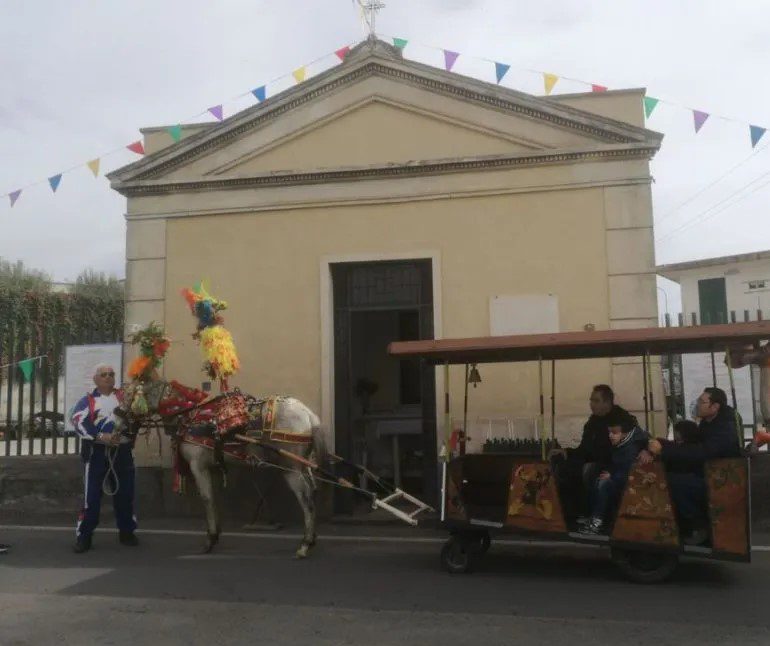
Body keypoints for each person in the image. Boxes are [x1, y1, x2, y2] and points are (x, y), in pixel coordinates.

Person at [648, 387, 741, 545]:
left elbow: (702, 452)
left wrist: (665, 450)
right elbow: (692, 445)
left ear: (715, 406)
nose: (697, 404)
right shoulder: (708, 421)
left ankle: (698, 525)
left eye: (701, 401)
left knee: (674, 482)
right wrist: (663, 444)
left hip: (720, 480)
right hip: (706, 472)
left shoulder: (726, 427)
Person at [551, 385, 651, 520]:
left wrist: (647, 450)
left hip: (614, 464)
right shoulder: (593, 421)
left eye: (596, 401)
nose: (591, 404)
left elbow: (640, 439)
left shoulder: (623, 419)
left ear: (607, 402)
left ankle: (590, 516)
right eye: (591, 400)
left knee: (588, 471)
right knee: (563, 467)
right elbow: (585, 449)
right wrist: (567, 452)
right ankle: (570, 516)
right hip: (595, 461)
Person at [70, 364, 138, 553]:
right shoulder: (88, 401)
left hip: (121, 453)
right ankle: (84, 536)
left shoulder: (124, 398)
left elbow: (136, 418)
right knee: (91, 498)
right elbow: (77, 421)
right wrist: (100, 436)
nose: (108, 377)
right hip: (96, 454)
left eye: (111, 374)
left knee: (125, 493)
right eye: (104, 375)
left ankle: (127, 532)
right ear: (96, 379)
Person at [579, 413, 649, 535]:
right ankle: (593, 515)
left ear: (625, 433)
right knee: (593, 472)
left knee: (603, 483)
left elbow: (632, 470)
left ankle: (597, 522)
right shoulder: (619, 442)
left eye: (614, 433)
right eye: (609, 432)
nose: (610, 436)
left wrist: (613, 476)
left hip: (634, 481)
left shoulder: (635, 445)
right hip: (619, 473)